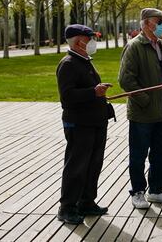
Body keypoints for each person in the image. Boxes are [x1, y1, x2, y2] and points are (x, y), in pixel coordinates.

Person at [119, 8, 162, 209]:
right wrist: (145, 100)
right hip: (143, 112)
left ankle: (156, 190)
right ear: (146, 23)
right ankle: (138, 191)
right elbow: (126, 79)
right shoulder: (135, 46)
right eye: (159, 21)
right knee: (138, 154)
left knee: (159, 153)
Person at [56, 24, 112, 224]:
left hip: (96, 121)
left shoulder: (85, 61)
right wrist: (93, 92)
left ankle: (86, 202)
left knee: (93, 163)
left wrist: (99, 95)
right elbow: (67, 97)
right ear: (79, 41)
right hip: (79, 124)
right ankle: (67, 207)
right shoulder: (69, 64)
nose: (93, 42)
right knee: (76, 165)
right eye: (90, 38)